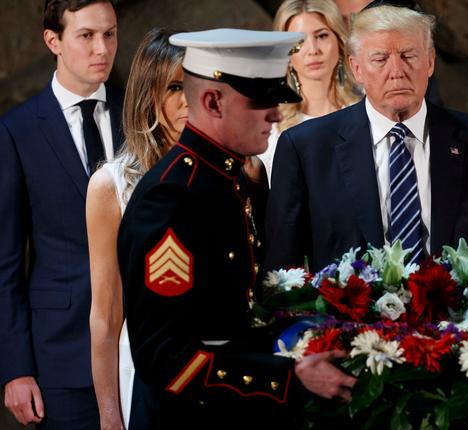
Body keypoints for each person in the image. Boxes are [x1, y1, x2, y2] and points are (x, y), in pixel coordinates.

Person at [116, 28, 356, 428]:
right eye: (261, 102)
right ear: (212, 101)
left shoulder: (229, 177)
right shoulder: (171, 198)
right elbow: (167, 359)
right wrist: (286, 378)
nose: (277, 114)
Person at [264, 5, 468, 277]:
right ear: (356, 68)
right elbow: (282, 274)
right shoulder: (306, 148)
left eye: (408, 55)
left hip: (458, 315)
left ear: (430, 61)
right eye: (380, 59)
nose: (397, 71)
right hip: (346, 318)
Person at [0, 0, 120, 427]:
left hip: (141, 346)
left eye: (109, 34)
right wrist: (15, 368)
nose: (102, 48)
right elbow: (6, 261)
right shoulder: (17, 131)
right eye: (86, 36)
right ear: (53, 40)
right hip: (61, 355)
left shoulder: (139, 116)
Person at [86, 28, 186, 430]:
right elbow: (106, 316)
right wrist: (109, 416)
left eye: (198, 86)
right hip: (147, 379)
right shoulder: (111, 186)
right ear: (149, 95)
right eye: (175, 87)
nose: (189, 102)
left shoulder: (232, 172)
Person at [258, 0, 359, 182]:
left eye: (321, 36)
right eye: (299, 41)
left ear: (339, 41)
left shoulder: (365, 112)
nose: (312, 50)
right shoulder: (270, 127)